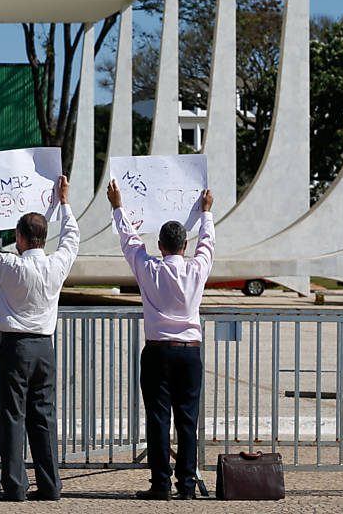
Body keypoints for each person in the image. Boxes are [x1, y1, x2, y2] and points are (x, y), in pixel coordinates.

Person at [0, 175, 79, 502]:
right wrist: (64, 202)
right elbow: (72, 238)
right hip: (44, 346)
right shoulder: (57, 264)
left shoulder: (9, 265)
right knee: (44, 417)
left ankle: (14, 486)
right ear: (43, 238)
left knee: (13, 416)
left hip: (15, 346)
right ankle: (50, 484)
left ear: (20, 238)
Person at [106, 179, 215, 500]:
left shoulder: (149, 269)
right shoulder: (196, 269)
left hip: (157, 351)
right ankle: (187, 484)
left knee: (158, 419)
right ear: (184, 246)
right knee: (187, 421)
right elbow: (208, 243)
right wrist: (206, 213)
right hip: (190, 352)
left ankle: (161, 484)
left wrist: (118, 206)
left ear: (161, 246)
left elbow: (130, 240)